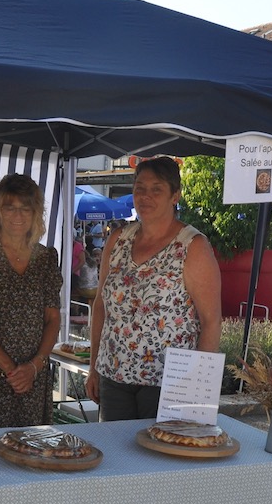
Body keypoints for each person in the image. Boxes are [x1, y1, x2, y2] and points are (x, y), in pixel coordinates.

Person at [85, 156, 222, 421]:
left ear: (175, 196)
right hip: (113, 375)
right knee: (113, 447)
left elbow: (211, 321)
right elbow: (100, 304)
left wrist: (196, 387)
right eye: (140, 188)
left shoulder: (192, 246)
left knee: (161, 448)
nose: (146, 196)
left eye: (156, 189)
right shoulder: (118, 239)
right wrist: (94, 368)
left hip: (169, 384)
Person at [0, 174, 63, 430]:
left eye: (25, 208)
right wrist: (11, 370)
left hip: (33, 376)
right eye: (9, 207)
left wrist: (34, 367)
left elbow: (53, 319)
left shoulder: (47, 257)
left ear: (36, 213)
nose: (18, 215)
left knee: (32, 447)